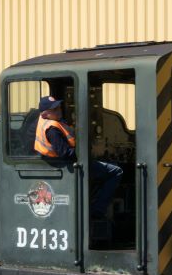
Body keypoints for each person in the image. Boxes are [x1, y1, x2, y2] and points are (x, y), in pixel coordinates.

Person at [33, 95, 123, 223]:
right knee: (116, 171)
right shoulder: (52, 129)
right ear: (45, 114)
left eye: (58, 107)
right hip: (68, 166)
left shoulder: (51, 122)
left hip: (68, 163)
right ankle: (97, 210)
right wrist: (85, 150)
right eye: (54, 109)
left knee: (110, 165)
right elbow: (65, 153)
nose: (59, 110)